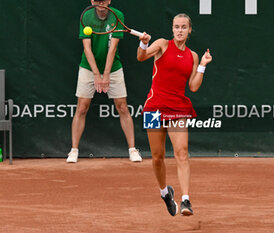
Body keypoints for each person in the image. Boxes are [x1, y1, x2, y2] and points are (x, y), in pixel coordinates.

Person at [136, 13, 212, 216]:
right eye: (176, 26)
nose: (180, 30)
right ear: (172, 29)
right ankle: (165, 193)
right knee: (157, 157)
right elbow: (141, 57)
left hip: (178, 109)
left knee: (182, 152)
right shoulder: (161, 44)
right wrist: (144, 44)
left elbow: (193, 86)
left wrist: (203, 64)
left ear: (189, 30)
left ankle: (186, 200)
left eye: (183, 27)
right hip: (154, 108)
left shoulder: (193, 56)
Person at [66, 0, 142, 163]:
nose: (100, 3)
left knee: (122, 107)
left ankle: (132, 149)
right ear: (92, 1)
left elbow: (113, 48)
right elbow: (86, 48)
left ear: (109, 1)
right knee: (81, 107)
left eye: (103, 0)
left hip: (113, 67)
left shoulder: (117, 15)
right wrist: (96, 74)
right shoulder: (86, 16)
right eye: (96, 0)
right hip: (88, 67)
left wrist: (106, 75)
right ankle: (74, 150)